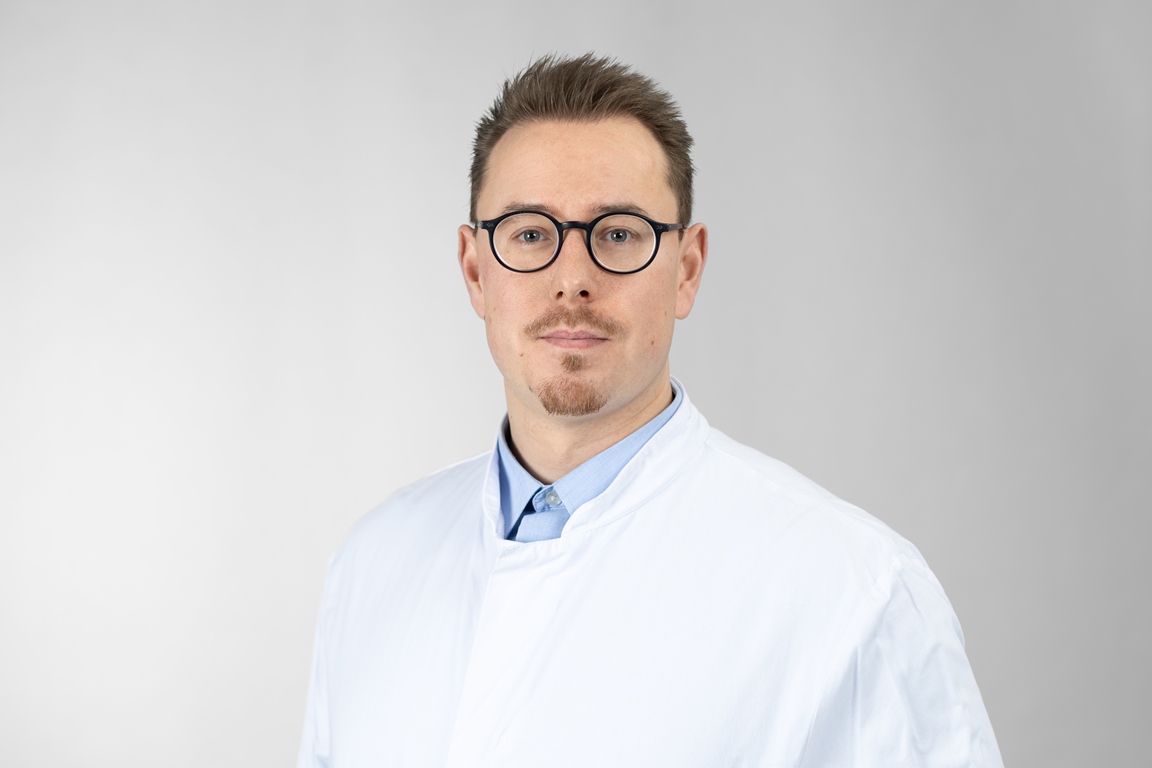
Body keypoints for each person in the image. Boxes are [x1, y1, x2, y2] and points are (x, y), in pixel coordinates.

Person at [297, 53, 1003, 767]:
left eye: (618, 234)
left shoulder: (852, 590)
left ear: (686, 269)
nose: (573, 280)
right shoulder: (374, 563)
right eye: (530, 234)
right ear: (476, 270)